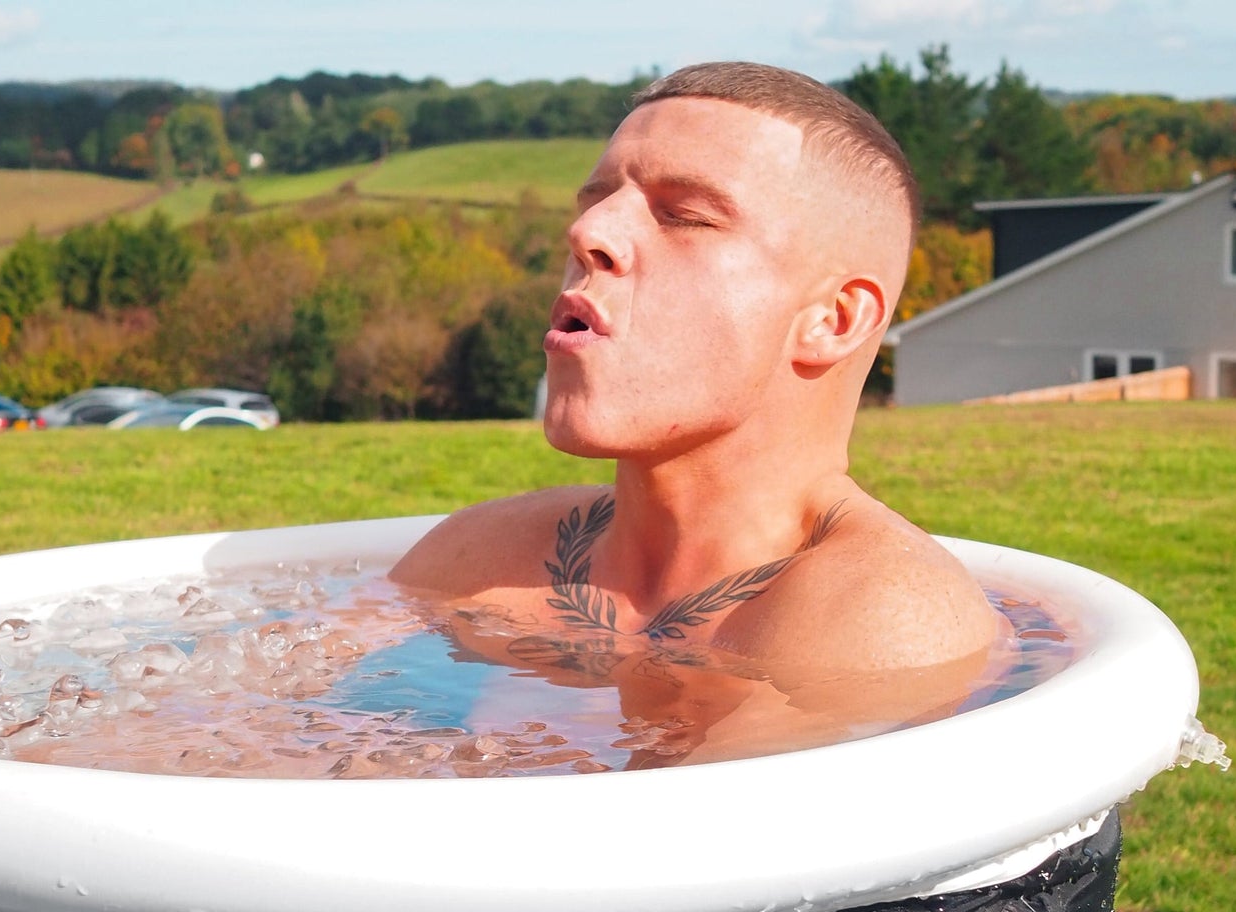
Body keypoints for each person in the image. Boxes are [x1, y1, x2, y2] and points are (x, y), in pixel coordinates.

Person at [390, 62, 1002, 764]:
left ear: (832, 319)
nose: (587, 230)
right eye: (596, 200)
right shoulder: (479, 555)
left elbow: (667, 858)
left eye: (683, 214)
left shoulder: (880, 618)